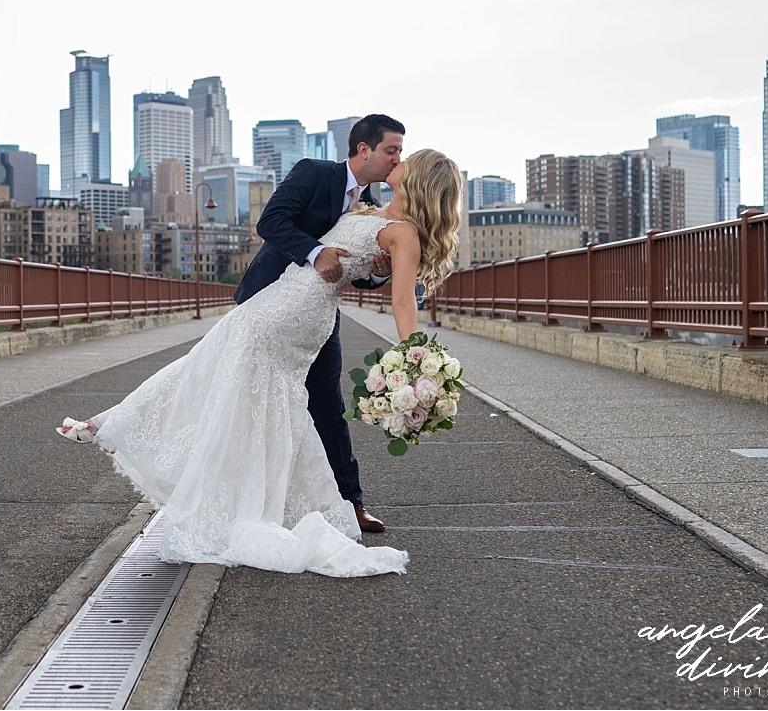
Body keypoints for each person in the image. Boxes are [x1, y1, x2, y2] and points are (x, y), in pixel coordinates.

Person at [56, 147, 464, 577]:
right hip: (283, 297)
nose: (398, 159)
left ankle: (114, 425)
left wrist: (415, 359)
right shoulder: (368, 209)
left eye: (406, 157)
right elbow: (309, 237)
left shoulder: (403, 233)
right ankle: (140, 436)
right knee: (236, 382)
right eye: (393, 150)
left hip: (298, 313)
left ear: (418, 177)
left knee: (218, 370)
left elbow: (403, 298)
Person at [234, 114, 404, 534]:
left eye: (400, 151)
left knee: (327, 404)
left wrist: (378, 271)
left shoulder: (373, 206)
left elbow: (355, 270)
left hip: (317, 314)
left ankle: (351, 504)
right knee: (249, 402)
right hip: (270, 303)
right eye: (391, 150)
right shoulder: (314, 172)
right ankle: (245, 498)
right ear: (363, 149)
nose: (397, 159)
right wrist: (315, 252)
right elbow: (270, 222)